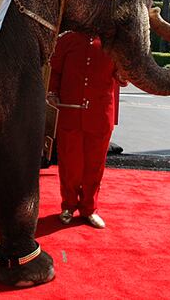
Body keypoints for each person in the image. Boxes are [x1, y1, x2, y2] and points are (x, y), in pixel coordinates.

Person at [47, 31, 126, 229]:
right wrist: (52, 92)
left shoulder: (113, 43)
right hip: (70, 112)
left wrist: (125, 74)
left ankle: (89, 208)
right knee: (69, 163)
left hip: (100, 114)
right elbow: (55, 70)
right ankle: (68, 205)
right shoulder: (67, 40)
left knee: (95, 165)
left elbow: (122, 77)